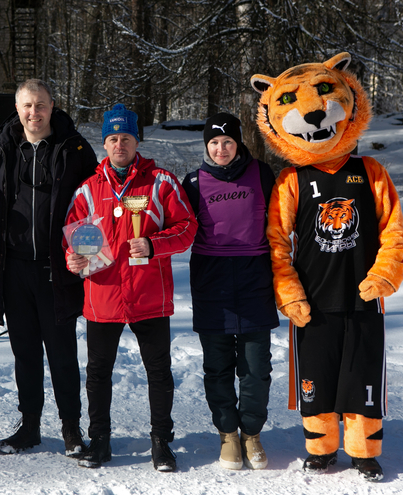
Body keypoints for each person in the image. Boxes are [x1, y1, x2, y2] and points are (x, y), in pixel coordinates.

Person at [250, 52, 403, 481]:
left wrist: (384, 274)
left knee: (363, 377)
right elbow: (277, 243)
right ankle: (320, 448)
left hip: (363, 297)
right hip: (313, 302)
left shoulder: (369, 171)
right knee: (315, 380)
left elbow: (394, 230)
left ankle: (364, 450)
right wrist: (289, 294)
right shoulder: (290, 180)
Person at [65, 104, 198, 472]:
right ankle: (100, 441)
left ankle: (161, 444)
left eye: (125, 137)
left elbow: (188, 228)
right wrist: (72, 259)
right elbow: (72, 238)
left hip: (149, 295)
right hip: (103, 296)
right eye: (112, 138)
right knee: (98, 373)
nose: (119, 143)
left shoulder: (161, 182)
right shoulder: (88, 190)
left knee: (158, 372)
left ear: (136, 141)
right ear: (104, 144)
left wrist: (155, 244)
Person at [0, 79, 97, 457]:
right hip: (13, 269)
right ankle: (29, 425)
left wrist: (87, 254)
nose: (35, 113)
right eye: (27, 106)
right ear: (17, 109)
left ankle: (70, 428)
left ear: (52, 106)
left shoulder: (75, 148)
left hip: (57, 268)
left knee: (62, 353)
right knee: (25, 353)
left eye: (41, 105)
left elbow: (93, 206)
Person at [181, 113, 279, 471]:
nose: (221, 149)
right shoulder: (192, 182)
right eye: (213, 143)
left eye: (227, 142)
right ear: (206, 146)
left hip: (255, 277)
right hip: (212, 280)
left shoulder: (262, 174)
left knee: (256, 367)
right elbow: (178, 227)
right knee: (218, 366)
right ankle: (228, 434)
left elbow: (282, 220)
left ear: (238, 144)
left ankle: (251, 432)